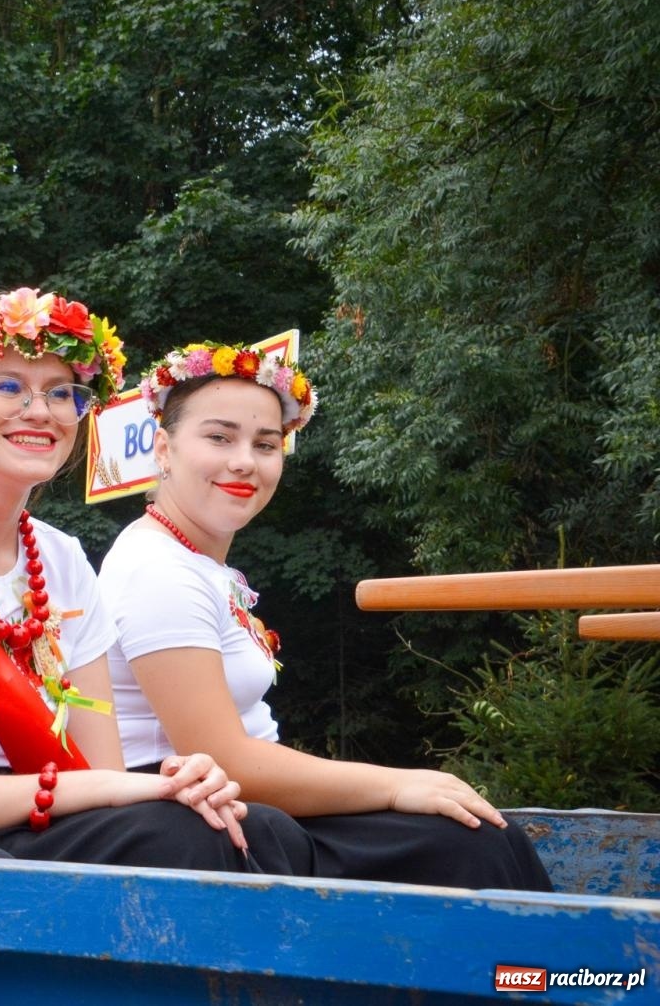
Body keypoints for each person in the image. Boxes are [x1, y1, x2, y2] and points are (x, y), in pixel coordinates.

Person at [0, 288, 314, 873]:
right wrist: (107, 792)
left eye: (61, 393)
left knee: (261, 828)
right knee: (191, 840)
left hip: (30, 828)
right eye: (9, 387)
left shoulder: (62, 558)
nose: (40, 411)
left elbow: (103, 772)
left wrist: (169, 783)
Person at [96, 341, 552, 890]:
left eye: (265, 444)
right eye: (219, 437)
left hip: (244, 799)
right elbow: (221, 757)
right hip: (198, 814)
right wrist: (396, 784)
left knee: (471, 833)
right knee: (466, 844)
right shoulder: (156, 569)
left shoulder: (197, 563)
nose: (245, 460)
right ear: (164, 449)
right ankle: (535, 978)